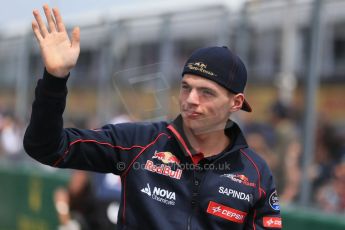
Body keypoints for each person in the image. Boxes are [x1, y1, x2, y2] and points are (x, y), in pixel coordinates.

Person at [23, 4, 281, 229]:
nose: (191, 99)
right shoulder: (137, 142)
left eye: (206, 92)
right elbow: (47, 148)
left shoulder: (255, 172)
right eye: (185, 87)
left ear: (235, 103)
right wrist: (55, 80)